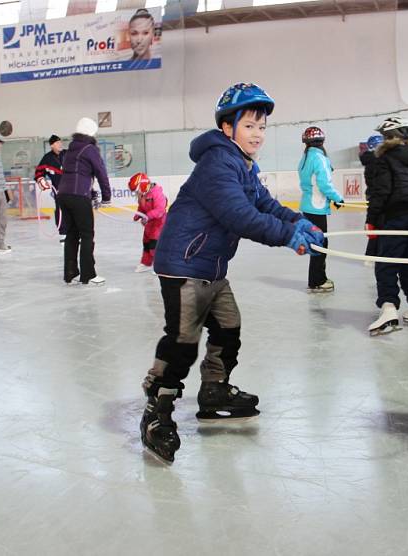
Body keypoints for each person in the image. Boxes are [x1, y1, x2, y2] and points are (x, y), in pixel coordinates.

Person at [139, 83, 324, 464]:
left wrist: (298, 220)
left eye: (262, 127)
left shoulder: (241, 163)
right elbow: (240, 215)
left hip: (210, 266)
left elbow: (264, 203)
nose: (257, 134)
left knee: (228, 328)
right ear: (228, 128)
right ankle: (157, 412)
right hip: (183, 267)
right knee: (182, 342)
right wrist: (288, 236)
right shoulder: (217, 164)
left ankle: (214, 390)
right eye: (249, 126)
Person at [366, 116, 408, 335]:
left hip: (392, 218)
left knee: (386, 263)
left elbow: (381, 192)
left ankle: (388, 308)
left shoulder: (384, 159)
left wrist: (372, 219)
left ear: (389, 137)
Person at [55, 117, 112, 285]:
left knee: (72, 234)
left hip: (64, 195)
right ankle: (89, 274)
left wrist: (91, 192)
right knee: (87, 235)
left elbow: (77, 174)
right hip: (78, 196)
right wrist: (106, 197)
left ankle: (70, 273)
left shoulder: (70, 149)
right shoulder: (90, 149)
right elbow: (101, 173)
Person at [297, 126, 344, 293]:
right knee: (320, 245)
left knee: (316, 243)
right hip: (316, 207)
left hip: (308, 206)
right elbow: (324, 184)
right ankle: (318, 280)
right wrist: (337, 198)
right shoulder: (319, 158)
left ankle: (316, 279)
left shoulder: (305, 157)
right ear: (322, 142)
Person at [128, 172, 167, 273]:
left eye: (137, 190)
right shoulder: (143, 195)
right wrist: (138, 215)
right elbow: (141, 207)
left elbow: (160, 210)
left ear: (143, 185)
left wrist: (147, 216)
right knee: (146, 244)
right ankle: (146, 263)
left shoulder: (157, 193)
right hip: (149, 224)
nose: (137, 193)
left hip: (159, 223)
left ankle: (159, 265)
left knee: (154, 244)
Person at [35, 134, 67, 242]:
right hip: (58, 190)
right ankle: (63, 235)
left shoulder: (67, 154)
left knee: (74, 211)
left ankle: (74, 234)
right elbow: (39, 173)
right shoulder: (47, 158)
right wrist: (41, 180)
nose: (60, 144)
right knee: (60, 211)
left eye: (60, 142)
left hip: (72, 189)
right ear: (52, 145)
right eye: (57, 143)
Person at [360, 134, 382, 260]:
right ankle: (372, 255)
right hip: (377, 196)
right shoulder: (376, 161)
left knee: (376, 223)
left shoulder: (370, 160)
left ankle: (371, 254)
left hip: (374, 195)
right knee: (377, 224)